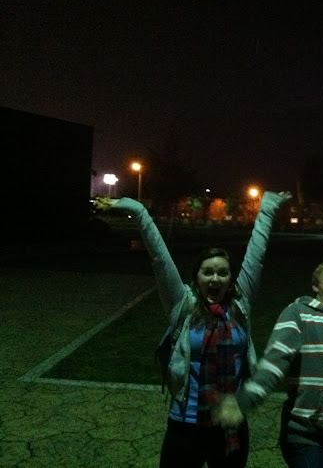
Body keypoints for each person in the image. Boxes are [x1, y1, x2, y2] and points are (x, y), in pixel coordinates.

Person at [109, 190, 291, 468]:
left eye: (222, 272)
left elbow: (256, 255)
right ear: (196, 277)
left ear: (231, 279)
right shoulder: (181, 302)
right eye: (208, 272)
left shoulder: (240, 305)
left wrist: (267, 208)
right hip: (186, 423)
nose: (215, 278)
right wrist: (140, 212)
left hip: (230, 422)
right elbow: (159, 258)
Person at [216, 258, 323, 468]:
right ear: (316, 286)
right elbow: (275, 362)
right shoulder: (297, 314)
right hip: (306, 437)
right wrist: (246, 399)